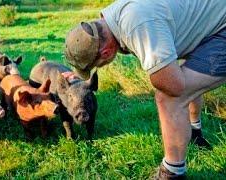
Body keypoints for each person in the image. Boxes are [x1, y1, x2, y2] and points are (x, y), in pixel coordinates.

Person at [64, 0, 226, 179]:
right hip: (209, 22)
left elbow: (174, 86)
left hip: (222, 29)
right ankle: (195, 133)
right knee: (183, 73)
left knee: (168, 96)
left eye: (95, 65)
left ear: (106, 54)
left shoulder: (137, 24)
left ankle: (172, 172)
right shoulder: (111, 16)